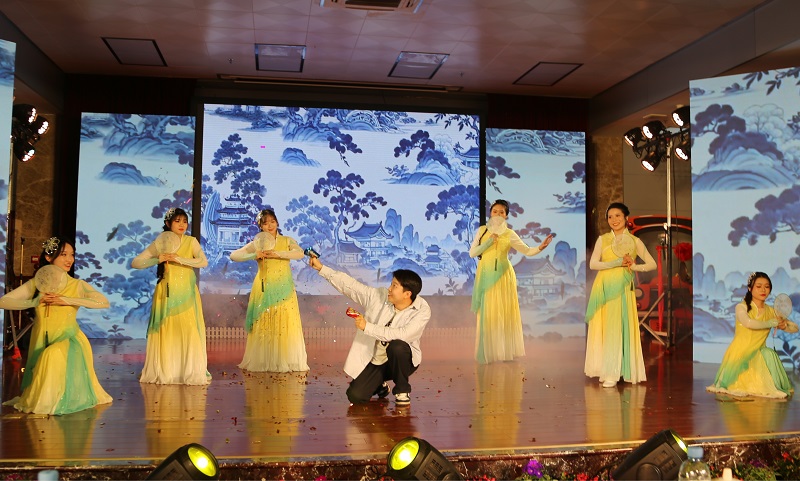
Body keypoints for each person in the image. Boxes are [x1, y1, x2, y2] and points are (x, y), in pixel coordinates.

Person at [0, 236, 113, 415]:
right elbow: (4, 301)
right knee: (46, 358)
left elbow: (103, 302)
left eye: (72, 255)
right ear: (48, 257)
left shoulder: (77, 285)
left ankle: (54, 403)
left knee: (51, 355)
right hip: (41, 340)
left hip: (69, 340)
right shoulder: (37, 285)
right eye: (63, 254)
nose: (69, 259)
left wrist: (66, 300)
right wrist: (34, 302)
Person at [308, 256, 430, 406]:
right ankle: (380, 385)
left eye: (394, 286)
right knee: (355, 396)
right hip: (377, 360)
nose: (389, 289)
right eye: (391, 284)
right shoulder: (379, 296)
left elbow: (404, 335)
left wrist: (367, 327)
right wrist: (322, 269)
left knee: (397, 345)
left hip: (403, 361)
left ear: (407, 294)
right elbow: (351, 286)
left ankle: (402, 391)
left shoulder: (422, 310)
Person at [469, 199, 553, 364]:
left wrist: (540, 247)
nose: (498, 214)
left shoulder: (509, 234)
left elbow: (527, 250)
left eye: (502, 212)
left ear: (506, 215)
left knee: (502, 313)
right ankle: (487, 352)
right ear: (490, 213)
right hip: (485, 276)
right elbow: (472, 253)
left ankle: (503, 351)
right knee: (487, 313)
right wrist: (489, 241)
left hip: (503, 277)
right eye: (495, 211)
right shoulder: (482, 231)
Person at [132, 208, 210, 385]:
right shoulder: (161, 242)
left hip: (186, 293)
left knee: (188, 330)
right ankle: (168, 370)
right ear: (168, 224)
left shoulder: (191, 241)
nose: (182, 225)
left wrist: (179, 259)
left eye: (185, 221)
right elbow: (136, 262)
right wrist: (157, 259)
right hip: (165, 293)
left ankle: (187, 371)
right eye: (177, 221)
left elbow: (203, 261)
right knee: (167, 331)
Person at [584, 202, 656, 388]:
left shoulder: (634, 241)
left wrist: (634, 266)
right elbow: (593, 264)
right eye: (610, 217)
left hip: (623, 288)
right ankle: (607, 370)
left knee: (618, 327)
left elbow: (652, 264)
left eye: (618, 216)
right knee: (605, 327)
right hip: (603, 287)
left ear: (626, 218)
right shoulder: (603, 239)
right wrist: (616, 262)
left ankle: (617, 371)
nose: (614, 220)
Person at [229, 209, 309, 372]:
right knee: (265, 323)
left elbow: (299, 253)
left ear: (277, 222)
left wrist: (277, 253)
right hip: (264, 288)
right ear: (260, 226)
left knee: (284, 323)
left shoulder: (286, 240)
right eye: (265, 223)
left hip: (284, 288)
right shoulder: (257, 243)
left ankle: (284, 359)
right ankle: (264, 360)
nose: (270, 226)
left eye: (272, 221)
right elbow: (234, 255)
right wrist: (254, 255)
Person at [706, 272, 794, 399]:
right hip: (741, 352)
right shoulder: (741, 307)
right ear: (750, 288)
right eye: (758, 286)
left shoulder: (771, 311)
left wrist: (783, 325)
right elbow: (748, 322)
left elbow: (794, 328)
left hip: (760, 353)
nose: (763, 290)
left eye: (767, 286)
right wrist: (770, 323)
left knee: (769, 356)